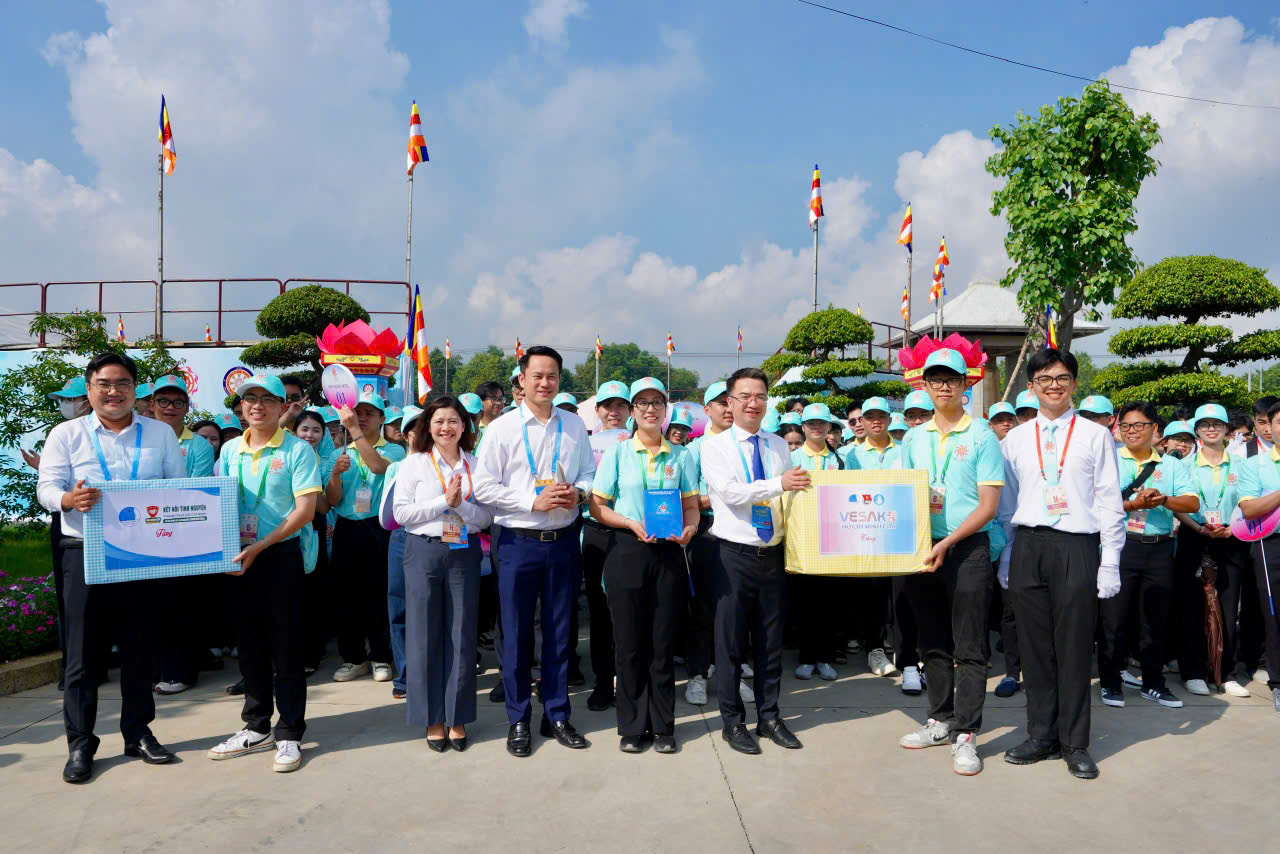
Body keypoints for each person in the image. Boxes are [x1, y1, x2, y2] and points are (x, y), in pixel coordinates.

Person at [37, 353, 185, 783]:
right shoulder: (66, 434)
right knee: (82, 654)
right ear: (90, 390)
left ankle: (137, 733)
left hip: (143, 553)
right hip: (85, 550)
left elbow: (178, 489)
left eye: (122, 383)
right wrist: (68, 500)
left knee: (140, 648)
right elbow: (47, 487)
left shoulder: (159, 434)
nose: (113, 391)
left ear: (136, 390)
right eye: (104, 384)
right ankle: (80, 743)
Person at [996, 348, 1124, 779]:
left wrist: (1110, 561)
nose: (1054, 385)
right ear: (1031, 385)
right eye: (1045, 378)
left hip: (1076, 545)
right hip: (1029, 545)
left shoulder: (1095, 435)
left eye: (1062, 378)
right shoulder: (1014, 439)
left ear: (1074, 384)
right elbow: (1007, 504)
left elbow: (1109, 500)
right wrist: (1008, 555)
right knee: (1034, 648)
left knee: (1072, 647)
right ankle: (1041, 734)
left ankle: (1074, 742)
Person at [472, 346, 596, 757]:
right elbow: (483, 487)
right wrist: (531, 501)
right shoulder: (502, 429)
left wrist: (579, 493)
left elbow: (588, 472)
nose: (545, 383)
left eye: (552, 376)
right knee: (516, 633)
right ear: (521, 381)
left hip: (563, 541)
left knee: (560, 632)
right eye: (537, 375)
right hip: (516, 542)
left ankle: (557, 714)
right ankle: (519, 718)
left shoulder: (573, 425)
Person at [896, 349, 1003, 777]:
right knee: (932, 641)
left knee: (970, 646)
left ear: (966, 384)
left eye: (952, 379)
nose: (944, 386)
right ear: (923, 385)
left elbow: (989, 505)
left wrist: (948, 543)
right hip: (924, 547)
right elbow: (902, 495)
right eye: (936, 379)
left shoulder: (981, 435)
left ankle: (966, 733)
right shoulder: (913, 438)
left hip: (967, 548)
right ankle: (939, 720)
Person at [206, 375, 321, 774]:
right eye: (249, 398)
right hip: (238, 556)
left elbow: (304, 511)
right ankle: (256, 726)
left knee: (286, 647)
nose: (257, 405)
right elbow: (216, 502)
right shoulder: (229, 450)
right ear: (241, 406)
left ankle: (289, 731)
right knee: (249, 643)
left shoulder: (297, 450)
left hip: (278, 555)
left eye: (267, 399)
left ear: (281, 406)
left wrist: (260, 546)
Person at [701, 367, 810, 755]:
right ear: (729, 402)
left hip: (772, 554)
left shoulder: (778, 445)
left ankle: (769, 717)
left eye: (760, 396)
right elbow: (730, 493)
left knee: (770, 643)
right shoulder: (714, 446)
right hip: (733, 555)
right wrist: (780, 484)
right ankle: (732, 722)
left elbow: (789, 495)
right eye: (744, 396)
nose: (753, 403)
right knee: (730, 644)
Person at [589, 378, 699, 753]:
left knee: (663, 644)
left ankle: (663, 726)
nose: (650, 409)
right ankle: (633, 726)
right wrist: (629, 523)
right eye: (642, 403)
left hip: (669, 554)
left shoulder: (681, 456)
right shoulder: (619, 453)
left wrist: (690, 529)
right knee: (630, 645)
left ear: (666, 410)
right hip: (627, 550)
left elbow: (691, 506)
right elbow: (598, 506)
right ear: (633, 411)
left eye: (657, 403)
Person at [392, 397, 491, 751]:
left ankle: (457, 715)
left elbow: (487, 517)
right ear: (428, 427)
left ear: (464, 426)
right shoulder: (414, 464)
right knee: (424, 634)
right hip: (423, 550)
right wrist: (443, 502)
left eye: (453, 421)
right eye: (439, 421)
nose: (446, 428)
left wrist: (461, 505)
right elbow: (402, 514)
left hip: (464, 551)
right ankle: (432, 717)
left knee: (461, 633)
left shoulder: (477, 465)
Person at [1097, 401, 1199, 711]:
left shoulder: (1172, 465)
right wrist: (1134, 505)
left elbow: (1192, 503)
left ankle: (1153, 683)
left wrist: (1163, 499)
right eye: (1125, 426)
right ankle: (1110, 681)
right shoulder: (1110, 459)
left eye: (1139, 425)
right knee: (1114, 618)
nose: (1131, 431)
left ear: (1155, 429)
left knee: (1155, 619)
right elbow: (1096, 503)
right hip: (1121, 545)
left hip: (1159, 548)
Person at [1172, 404, 1252, 698]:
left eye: (1217, 424)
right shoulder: (1183, 466)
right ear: (1197, 431)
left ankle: (1225, 672)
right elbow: (1177, 505)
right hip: (1195, 537)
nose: (1211, 429)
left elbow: (1248, 502)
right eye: (1204, 424)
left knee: (1229, 607)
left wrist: (1234, 528)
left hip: (1232, 538)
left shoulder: (1242, 465)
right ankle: (1193, 671)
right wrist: (1198, 528)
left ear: (1227, 430)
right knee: (1191, 606)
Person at [326, 391, 406, 683]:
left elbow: (377, 467)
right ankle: (353, 658)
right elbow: (332, 500)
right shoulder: (339, 453)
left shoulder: (395, 450)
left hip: (379, 528)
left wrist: (353, 430)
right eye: (357, 413)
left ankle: (381, 656)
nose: (361, 418)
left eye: (369, 413)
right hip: (347, 527)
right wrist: (335, 475)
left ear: (382, 419)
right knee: (347, 596)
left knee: (379, 593)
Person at [683, 381, 750, 707]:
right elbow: (689, 498)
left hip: (742, 528)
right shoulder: (694, 450)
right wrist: (725, 494)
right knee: (702, 607)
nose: (727, 408)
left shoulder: (745, 444)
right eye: (720, 403)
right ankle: (697, 674)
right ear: (707, 409)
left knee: (736, 608)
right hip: (706, 530)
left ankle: (734, 675)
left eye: (730, 401)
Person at [149, 374, 218, 695]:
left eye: (178, 402)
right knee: (152, 605)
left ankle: (182, 671)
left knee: (181, 604)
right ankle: (157, 668)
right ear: (152, 404)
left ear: (187, 407)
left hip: (184, 533)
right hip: (146, 534)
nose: (170, 407)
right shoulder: (142, 439)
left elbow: (193, 488)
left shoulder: (199, 445)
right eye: (163, 401)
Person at [843, 397, 907, 684]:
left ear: (890, 420)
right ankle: (875, 649)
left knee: (902, 596)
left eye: (881, 416)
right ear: (862, 422)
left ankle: (907, 654)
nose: (876, 421)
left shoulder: (904, 451)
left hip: (901, 532)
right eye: (870, 417)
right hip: (868, 533)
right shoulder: (853, 456)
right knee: (873, 596)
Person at [579, 379, 632, 712]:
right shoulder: (585, 444)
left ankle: (627, 680)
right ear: (597, 410)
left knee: (630, 610)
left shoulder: (641, 442)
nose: (614, 412)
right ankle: (602, 680)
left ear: (630, 410)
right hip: (596, 531)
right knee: (599, 611)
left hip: (631, 531)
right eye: (607, 406)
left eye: (621, 405)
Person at [789, 403, 843, 682]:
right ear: (803, 427)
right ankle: (807, 657)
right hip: (801, 537)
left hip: (832, 538)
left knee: (829, 602)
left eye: (822, 423)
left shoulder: (840, 459)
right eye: (811, 423)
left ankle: (825, 657)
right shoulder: (792, 458)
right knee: (804, 601)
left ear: (829, 426)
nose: (817, 428)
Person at [1234, 398, 1280, 713]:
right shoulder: (1254, 465)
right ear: (1269, 427)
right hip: (1271, 545)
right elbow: (1249, 509)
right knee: (1274, 615)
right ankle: (1278, 682)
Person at [291, 409, 337, 677]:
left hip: (313, 527)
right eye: (304, 429)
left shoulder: (327, 462)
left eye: (316, 430)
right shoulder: (283, 456)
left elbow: (324, 505)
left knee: (312, 592)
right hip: (283, 527)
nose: (309, 435)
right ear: (294, 432)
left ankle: (311, 653)